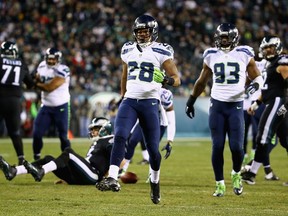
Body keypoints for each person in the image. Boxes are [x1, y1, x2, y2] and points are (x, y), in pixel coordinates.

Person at [95, 14, 181, 205]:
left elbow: (176, 78)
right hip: (130, 101)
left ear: (153, 31)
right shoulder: (127, 49)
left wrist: (166, 80)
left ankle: (155, 181)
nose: (142, 34)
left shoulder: (161, 50)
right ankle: (112, 176)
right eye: (139, 31)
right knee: (120, 135)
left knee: (152, 151)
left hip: (150, 102)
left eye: (145, 31)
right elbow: (124, 75)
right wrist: (123, 96)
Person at [185, 23, 263, 197]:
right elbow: (202, 81)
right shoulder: (211, 55)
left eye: (227, 37)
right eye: (222, 37)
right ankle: (219, 183)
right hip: (217, 105)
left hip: (236, 105)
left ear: (234, 38)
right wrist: (191, 99)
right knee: (217, 145)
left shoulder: (244, 53)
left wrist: (254, 87)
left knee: (236, 147)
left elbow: (258, 76)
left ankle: (236, 174)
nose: (224, 41)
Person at [0, 117, 114, 185]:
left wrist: (113, 177)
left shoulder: (110, 140)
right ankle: (14, 171)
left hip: (93, 175)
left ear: (105, 129)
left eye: (96, 129)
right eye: (92, 129)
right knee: (48, 158)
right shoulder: (99, 142)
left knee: (68, 152)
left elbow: (116, 159)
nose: (93, 132)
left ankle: (42, 171)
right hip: (83, 175)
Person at [241, 36, 288, 185]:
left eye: (271, 47)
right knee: (286, 141)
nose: (268, 50)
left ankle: (252, 173)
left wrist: (286, 106)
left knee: (262, 136)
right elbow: (269, 88)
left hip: (277, 102)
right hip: (272, 101)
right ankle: (253, 172)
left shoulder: (282, 61)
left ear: (278, 47)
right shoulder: (270, 64)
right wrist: (256, 104)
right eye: (266, 48)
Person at [120, 87, 176, 175]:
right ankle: (123, 169)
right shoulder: (141, 87)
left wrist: (170, 140)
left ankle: (153, 175)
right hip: (144, 119)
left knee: (153, 149)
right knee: (133, 140)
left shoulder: (164, 94)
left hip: (160, 123)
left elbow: (171, 119)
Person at [0, 41, 36, 165]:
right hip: (14, 101)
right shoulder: (21, 63)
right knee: (14, 132)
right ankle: (21, 159)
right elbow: (30, 84)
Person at [32, 47, 71, 160]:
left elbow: (50, 87)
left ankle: (68, 159)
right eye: (49, 59)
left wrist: (34, 84)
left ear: (58, 59)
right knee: (37, 134)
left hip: (61, 107)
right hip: (46, 106)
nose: (51, 61)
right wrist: (34, 80)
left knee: (63, 136)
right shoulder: (41, 66)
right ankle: (36, 158)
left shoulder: (64, 69)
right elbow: (38, 80)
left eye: (53, 59)